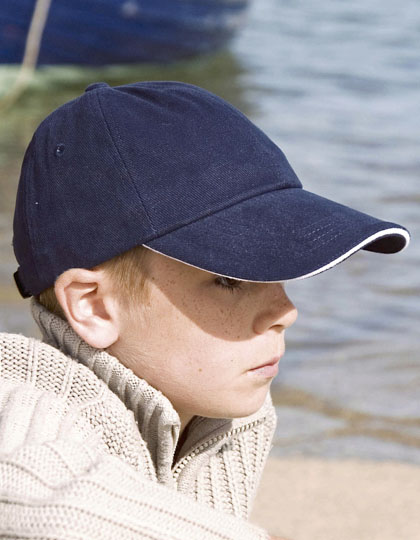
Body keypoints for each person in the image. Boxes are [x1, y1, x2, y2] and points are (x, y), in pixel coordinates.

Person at [0, 81, 410, 539]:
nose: (285, 311)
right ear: (93, 306)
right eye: (229, 279)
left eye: (276, 271)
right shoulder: (27, 407)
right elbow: (27, 484)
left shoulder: (219, 410)